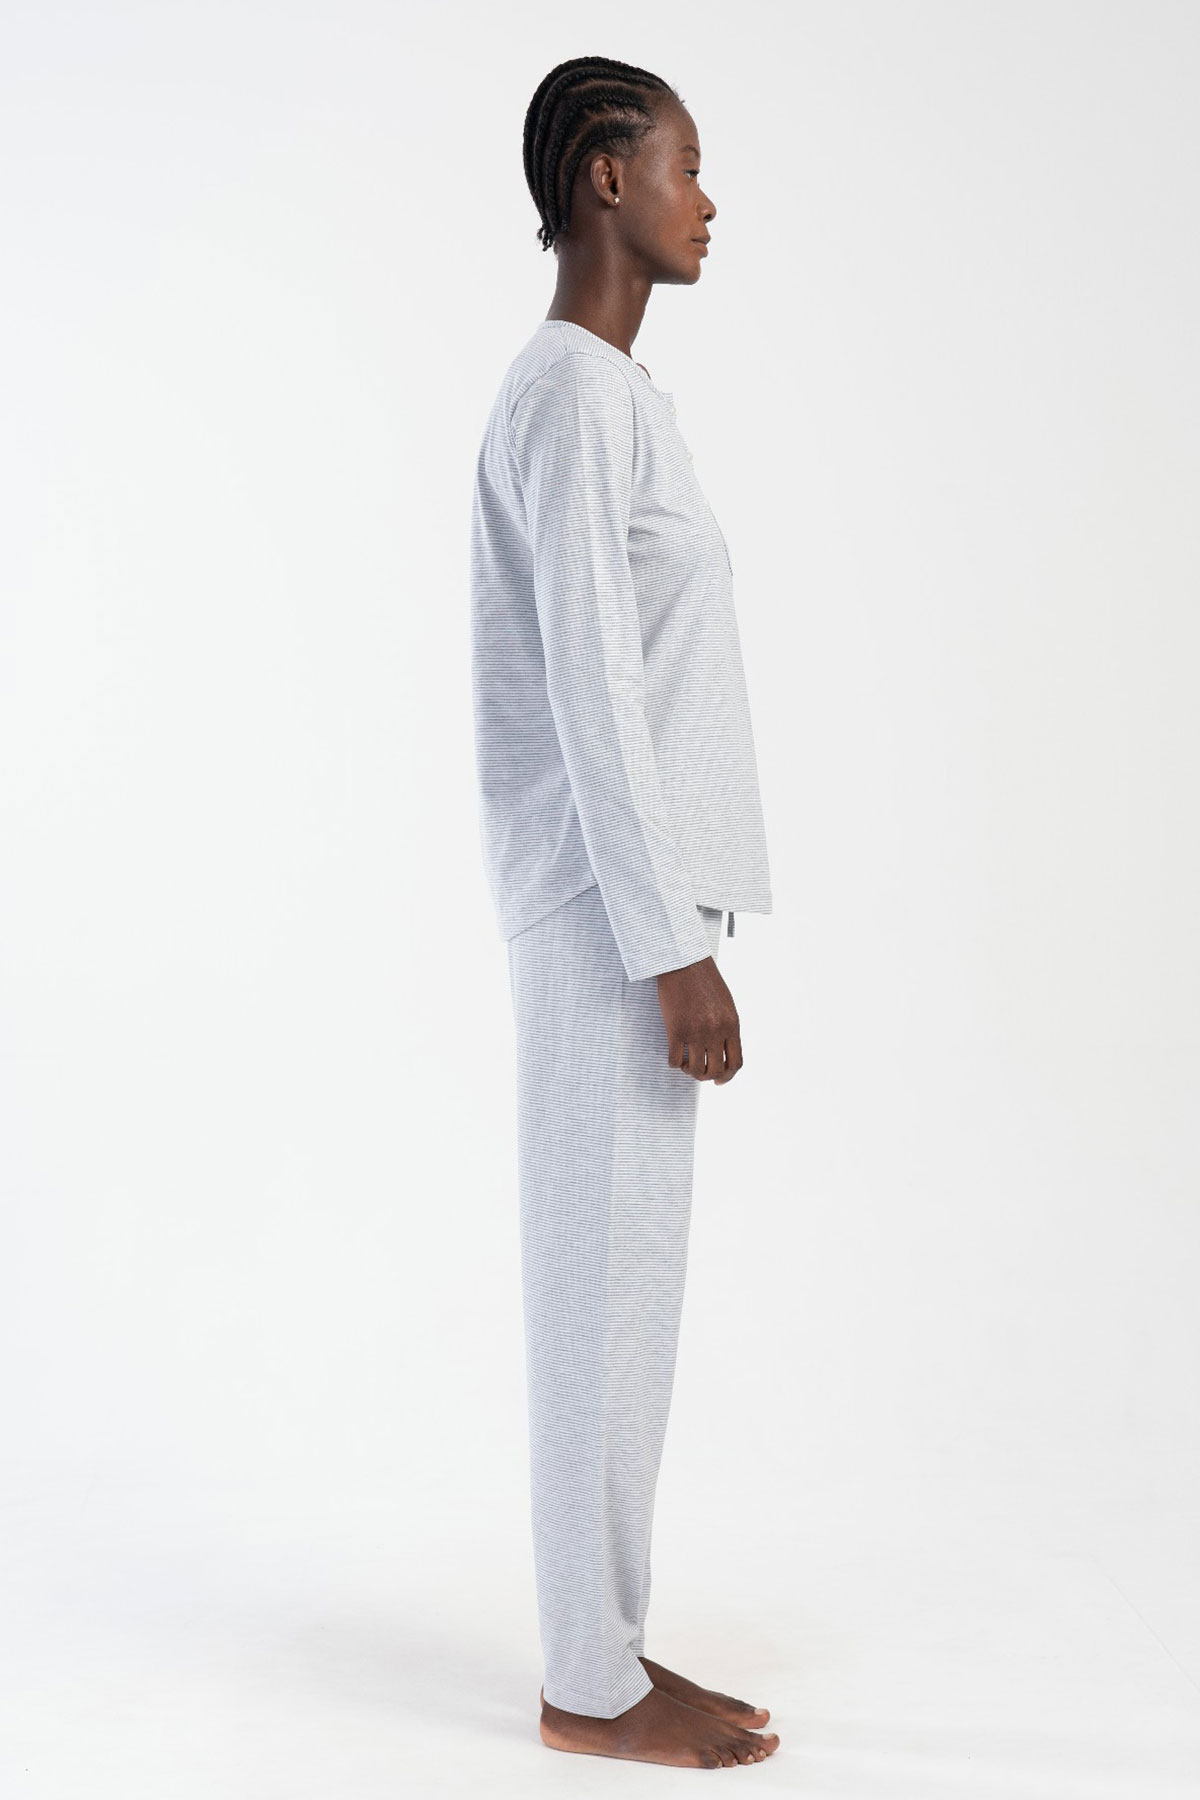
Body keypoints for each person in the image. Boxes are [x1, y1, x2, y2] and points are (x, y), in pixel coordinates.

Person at [468, 53, 779, 1771]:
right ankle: (587, 1687)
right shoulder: (574, 395)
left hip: (633, 918)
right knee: (599, 1303)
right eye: (686, 165)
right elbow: (594, 685)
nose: (706, 201)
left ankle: (607, 1647)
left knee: (626, 1300)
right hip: (608, 925)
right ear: (606, 175)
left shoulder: (610, 396)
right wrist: (672, 953)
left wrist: (683, 933)